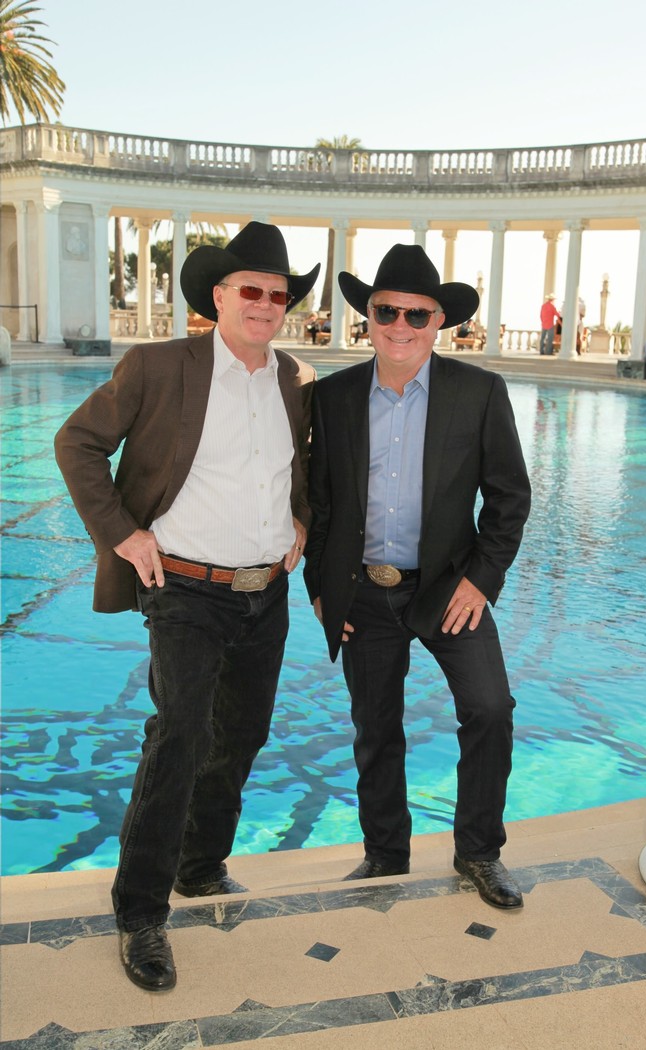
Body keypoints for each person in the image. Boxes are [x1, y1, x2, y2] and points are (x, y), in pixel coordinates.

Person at [54, 222, 320, 992]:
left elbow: (302, 472)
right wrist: (122, 534)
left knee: (241, 733)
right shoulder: (160, 366)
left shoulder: (297, 380)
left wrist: (301, 521)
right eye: (252, 291)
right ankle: (140, 912)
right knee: (179, 735)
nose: (266, 305)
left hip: (265, 591)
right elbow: (77, 443)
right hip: (185, 588)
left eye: (278, 295)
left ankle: (201, 866)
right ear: (220, 296)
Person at [304, 245, 531, 910]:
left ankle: (479, 852)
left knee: (490, 708)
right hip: (362, 591)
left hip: (450, 588)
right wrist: (321, 588)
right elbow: (318, 504)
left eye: (417, 313)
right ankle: (385, 855)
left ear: (439, 322)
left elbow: (509, 497)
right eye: (387, 311)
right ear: (368, 317)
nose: (400, 325)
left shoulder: (479, 392)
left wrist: (481, 580)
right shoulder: (332, 397)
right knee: (376, 727)